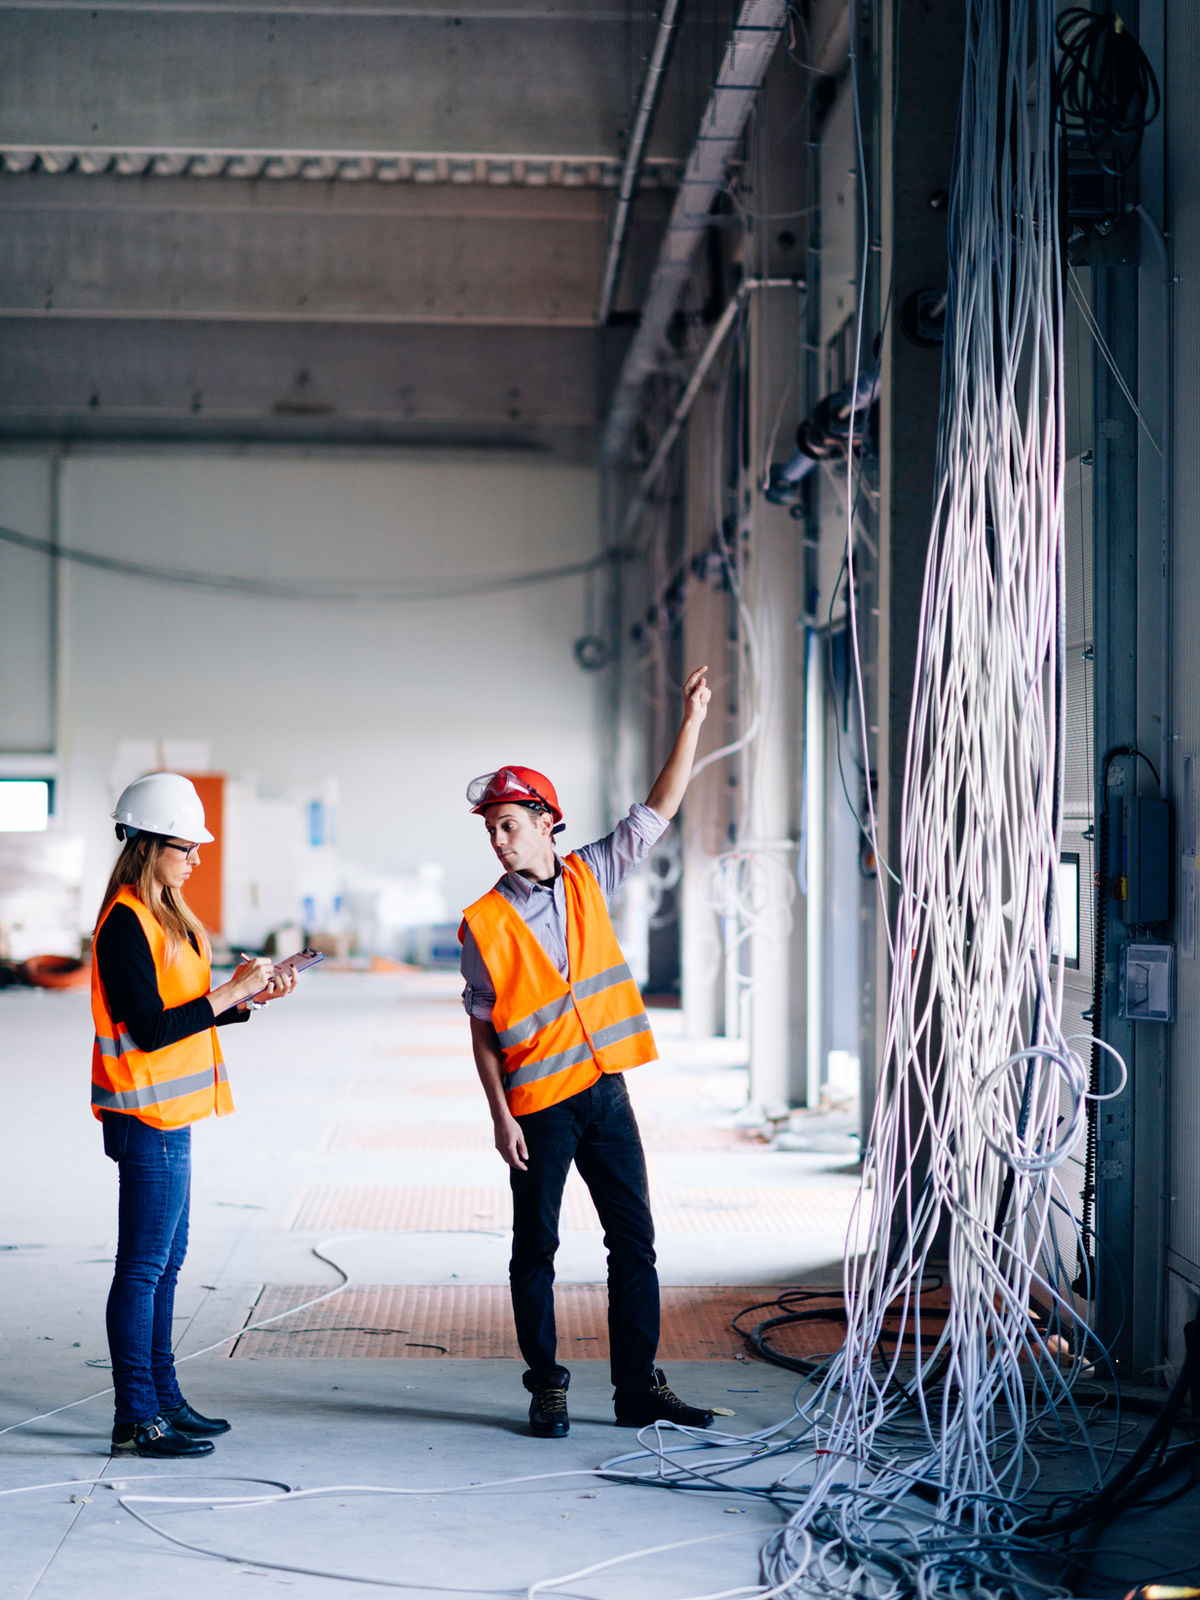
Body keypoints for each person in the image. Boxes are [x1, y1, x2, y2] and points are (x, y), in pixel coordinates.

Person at [460, 666, 715, 1438]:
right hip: (539, 1107)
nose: (499, 840)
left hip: (606, 1092)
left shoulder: (588, 877)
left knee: (633, 1241)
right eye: (491, 828)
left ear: (546, 821)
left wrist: (694, 720)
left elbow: (656, 811)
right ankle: (548, 1385)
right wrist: (500, 1117)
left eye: (509, 824)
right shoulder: (484, 922)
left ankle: (636, 1388)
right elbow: (479, 1025)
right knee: (535, 1249)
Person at [91, 772, 295, 1459]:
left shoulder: (167, 911)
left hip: (171, 1110)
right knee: (144, 1267)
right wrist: (229, 991)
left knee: (167, 1264)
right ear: (147, 845)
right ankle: (135, 1417)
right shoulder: (124, 921)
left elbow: (182, 1014)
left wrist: (246, 1000)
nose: (196, 857)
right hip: (142, 1115)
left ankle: (165, 1401)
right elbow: (149, 1029)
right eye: (186, 846)